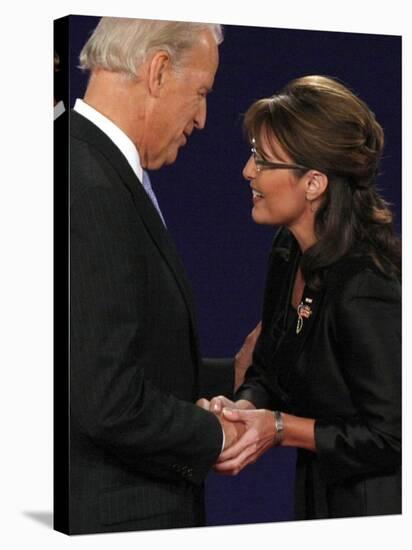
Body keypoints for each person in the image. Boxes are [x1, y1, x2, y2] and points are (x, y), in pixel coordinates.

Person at [67, 17, 258, 535]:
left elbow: (102, 353)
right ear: (157, 71)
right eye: (200, 93)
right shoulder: (87, 186)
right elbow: (106, 399)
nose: (201, 117)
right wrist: (216, 433)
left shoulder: (94, 166)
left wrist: (230, 377)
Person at [199, 75, 401, 520]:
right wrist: (244, 406)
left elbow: (393, 437)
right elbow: (270, 366)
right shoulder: (289, 250)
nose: (248, 172)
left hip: (375, 508)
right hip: (317, 495)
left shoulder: (367, 286)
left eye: (263, 161)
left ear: (314, 183)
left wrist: (279, 428)